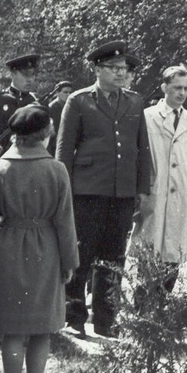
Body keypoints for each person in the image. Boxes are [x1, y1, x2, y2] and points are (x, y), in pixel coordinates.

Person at [56, 39, 151, 338]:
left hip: (121, 192)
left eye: (124, 69)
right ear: (97, 68)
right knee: (82, 254)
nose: (121, 74)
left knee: (113, 257)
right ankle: (74, 316)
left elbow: (142, 149)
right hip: (86, 190)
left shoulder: (135, 102)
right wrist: (64, 191)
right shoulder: (80, 101)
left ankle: (106, 319)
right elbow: (64, 149)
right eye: (114, 68)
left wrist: (142, 189)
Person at [0, 105, 78, 373]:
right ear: (46, 132)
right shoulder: (56, 169)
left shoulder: (1, 167)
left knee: (12, 330)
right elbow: (65, 221)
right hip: (46, 249)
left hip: (8, 247)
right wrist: (70, 261)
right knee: (42, 328)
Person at [129, 66, 187, 291]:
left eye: (186, 89)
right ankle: (143, 312)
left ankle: (162, 312)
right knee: (148, 255)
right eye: (176, 88)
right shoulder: (147, 117)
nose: (181, 93)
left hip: (182, 196)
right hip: (155, 194)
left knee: (173, 258)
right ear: (164, 88)